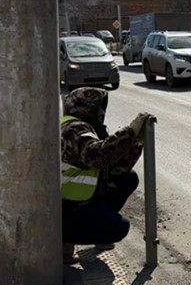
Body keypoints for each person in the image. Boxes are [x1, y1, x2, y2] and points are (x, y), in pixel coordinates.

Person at [60, 87, 153, 262]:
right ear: (85, 108)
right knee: (118, 228)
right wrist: (129, 132)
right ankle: (63, 240)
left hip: (78, 201)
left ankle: (85, 230)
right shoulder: (72, 130)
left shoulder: (84, 128)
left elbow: (115, 168)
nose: (102, 113)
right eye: (98, 108)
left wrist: (134, 143)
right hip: (64, 209)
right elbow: (98, 156)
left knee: (127, 179)